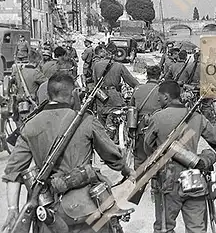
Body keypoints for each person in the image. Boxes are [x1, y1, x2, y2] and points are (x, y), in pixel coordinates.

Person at [1, 73, 134, 233]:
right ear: (73, 94)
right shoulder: (86, 120)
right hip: (87, 208)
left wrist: (12, 209)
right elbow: (113, 158)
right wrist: (128, 171)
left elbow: (13, 173)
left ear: (49, 95)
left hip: (49, 209)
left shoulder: (30, 126)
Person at [144, 80, 216, 233]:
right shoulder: (196, 117)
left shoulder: (158, 118)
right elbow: (215, 137)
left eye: (160, 96)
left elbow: (148, 147)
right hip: (194, 179)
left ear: (167, 97)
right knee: (197, 229)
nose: (158, 100)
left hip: (168, 182)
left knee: (164, 228)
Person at [92, 44, 139, 124]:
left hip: (101, 97)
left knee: (101, 124)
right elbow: (133, 83)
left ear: (105, 52)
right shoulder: (119, 66)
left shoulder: (97, 65)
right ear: (115, 54)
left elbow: (95, 83)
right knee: (116, 123)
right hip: (114, 98)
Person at [130, 65, 161, 169]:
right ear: (159, 76)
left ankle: (138, 182)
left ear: (147, 76)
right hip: (157, 127)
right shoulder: (163, 91)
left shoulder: (138, 89)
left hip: (140, 128)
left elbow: (132, 108)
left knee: (139, 158)